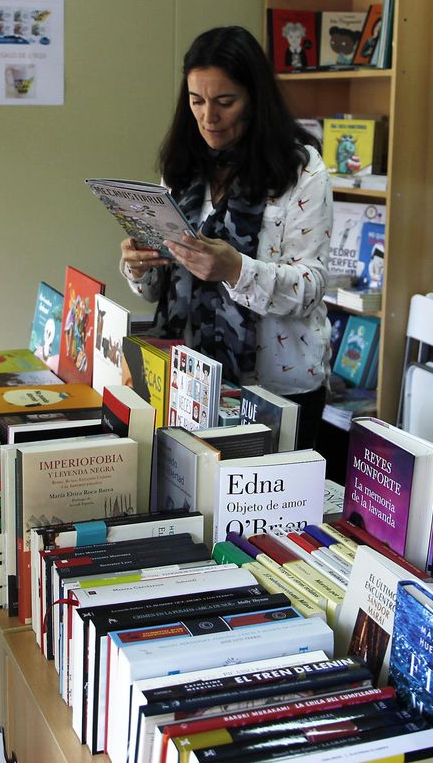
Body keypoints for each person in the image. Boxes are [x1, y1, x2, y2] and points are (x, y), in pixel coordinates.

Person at [120, 25, 333, 448]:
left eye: (225, 102)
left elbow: (312, 286)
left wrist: (235, 270)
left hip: (277, 389)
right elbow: (157, 290)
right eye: (196, 101)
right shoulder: (182, 165)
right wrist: (139, 264)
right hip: (187, 380)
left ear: (254, 99)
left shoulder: (301, 169)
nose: (208, 117)